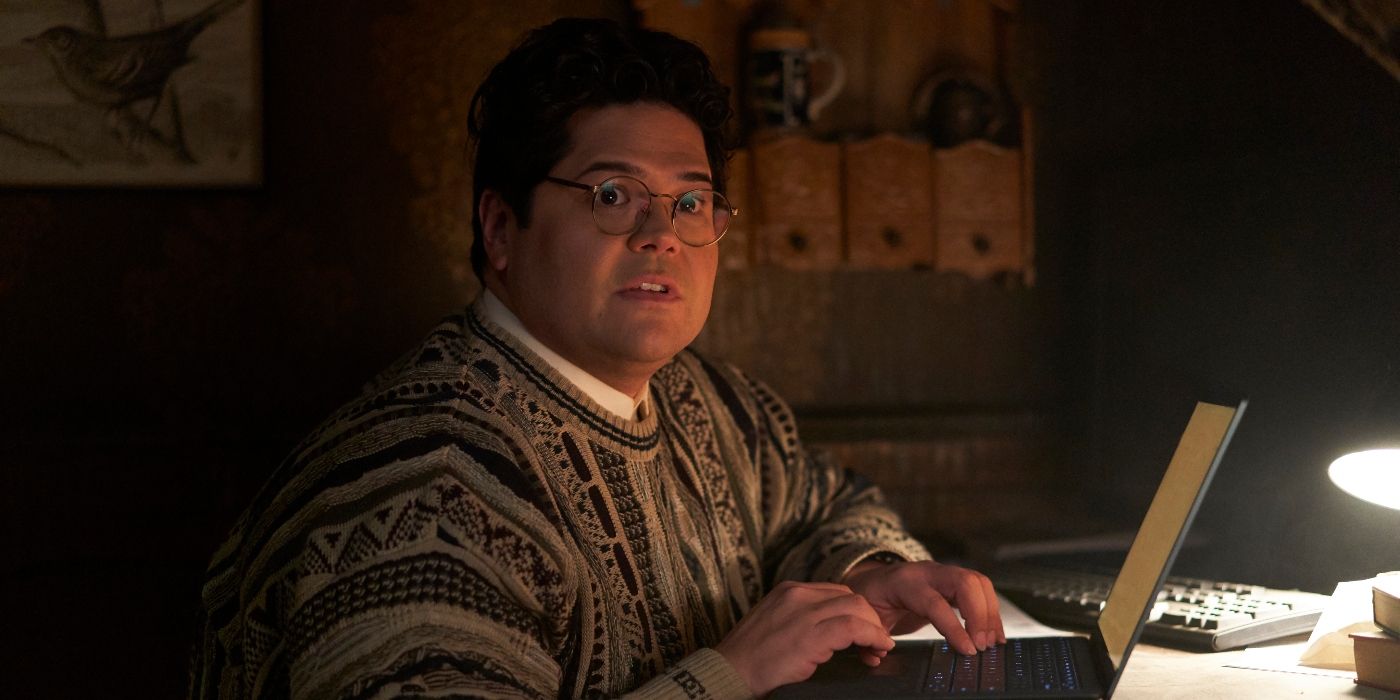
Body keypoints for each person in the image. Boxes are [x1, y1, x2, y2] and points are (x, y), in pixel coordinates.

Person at [189, 17, 1004, 700]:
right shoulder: (421, 488)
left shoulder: (715, 406)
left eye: (690, 202)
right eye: (611, 196)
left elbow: (830, 506)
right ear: (502, 230)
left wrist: (869, 574)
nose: (660, 234)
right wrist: (729, 676)